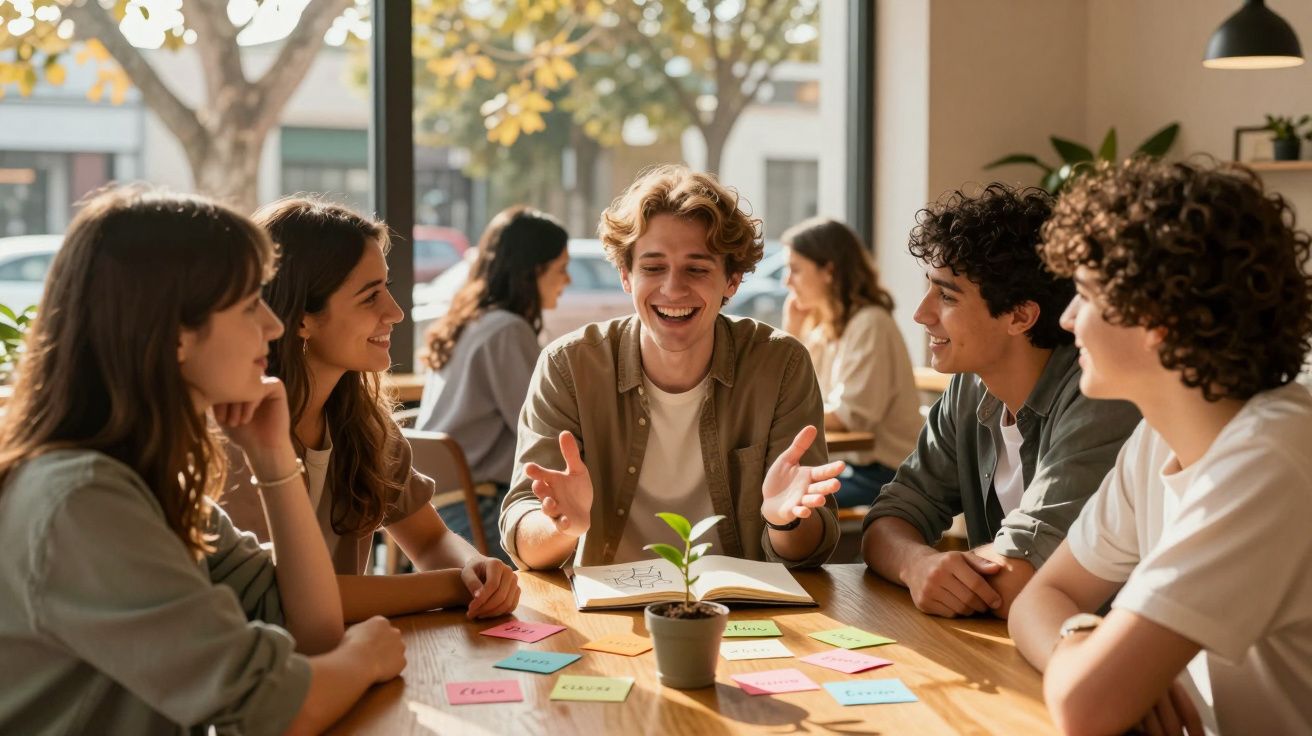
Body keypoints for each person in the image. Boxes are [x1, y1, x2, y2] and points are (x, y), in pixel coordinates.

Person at [0, 187, 405, 735]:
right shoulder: (83, 500)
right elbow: (276, 710)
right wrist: (366, 656)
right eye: (248, 304)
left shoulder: (143, 480)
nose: (274, 325)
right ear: (175, 335)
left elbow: (310, 627)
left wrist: (273, 460)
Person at [1009, 158, 1312, 735]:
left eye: (1085, 295)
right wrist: (1082, 638)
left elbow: (1085, 708)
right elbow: (1040, 595)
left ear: (1155, 318)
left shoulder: (1271, 457)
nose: (1068, 319)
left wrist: (1094, 674)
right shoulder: (1155, 438)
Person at [501, 165, 845, 570]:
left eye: (696, 269)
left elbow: (810, 552)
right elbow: (522, 536)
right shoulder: (569, 366)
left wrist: (784, 522)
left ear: (732, 280)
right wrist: (561, 527)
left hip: (739, 601)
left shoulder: (781, 364)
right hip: (610, 603)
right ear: (626, 276)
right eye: (653, 268)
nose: (673, 289)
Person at [222, 197, 519, 622]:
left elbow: (431, 541)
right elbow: (284, 596)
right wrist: (454, 585)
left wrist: (476, 569)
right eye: (369, 297)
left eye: (388, 289)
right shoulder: (235, 434)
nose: (395, 312)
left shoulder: (363, 424)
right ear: (302, 318)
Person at [860, 183, 1140, 619]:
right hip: (1009, 641)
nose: (921, 314)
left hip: (1095, 644)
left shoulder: (1099, 398)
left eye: (946, 296)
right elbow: (889, 519)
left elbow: (1021, 580)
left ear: (1020, 316)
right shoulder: (970, 386)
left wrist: (940, 570)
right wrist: (917, 563)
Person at [418, 206, 571, 560]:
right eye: (562, 269)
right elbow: (544, 429)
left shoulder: (470, 321)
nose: (568, 281)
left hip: (434, 506)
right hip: (476, 508)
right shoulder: (507, 331)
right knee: (577, 539)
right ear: (534, 270)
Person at [780, 216, 923, 508]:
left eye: (795, 269)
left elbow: (849, 418)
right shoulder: (825, 329)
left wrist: (783, 415)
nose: (787, 281)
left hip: (886, 474)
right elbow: (795, 392)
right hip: (852, 468)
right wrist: (792, 332)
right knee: (770, 492)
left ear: (828, 270)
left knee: (785, 501)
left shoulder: (870, 324)